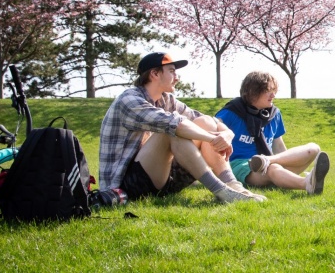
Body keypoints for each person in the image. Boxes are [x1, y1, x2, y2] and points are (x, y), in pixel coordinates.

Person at [99, 52, 264, 204]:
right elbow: (175, 125)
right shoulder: (129, 100)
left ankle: (233, 185)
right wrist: (213, 138)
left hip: (161, 178)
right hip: (126, 186)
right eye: (171, 71)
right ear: (155, 74)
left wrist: (227, 134)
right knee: (171, 131)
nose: (177, 77)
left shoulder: (166, 100)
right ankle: (221, 191)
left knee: (205, 122)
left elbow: (205, 119)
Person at [215, 71, 330, 195]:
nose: (273, 95)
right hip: (240, 165)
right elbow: (213, 124)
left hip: (271, 161)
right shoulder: (233, 110)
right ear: (253, 91)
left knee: (313, 149)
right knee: (273, 168)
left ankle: (268, 163)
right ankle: (307, 183)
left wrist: (283, 160)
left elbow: (279, 146)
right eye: (268, 90)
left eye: (274, 90)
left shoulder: (274, 114)